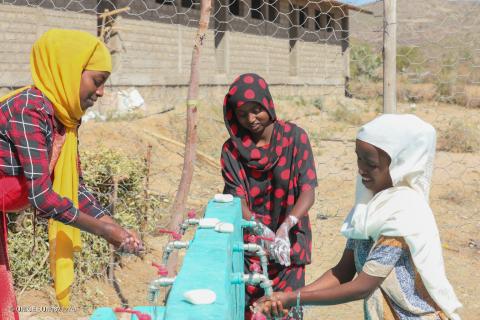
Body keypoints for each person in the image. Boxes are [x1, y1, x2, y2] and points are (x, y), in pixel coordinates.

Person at [255, 114, 462, 320]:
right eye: (358, 158)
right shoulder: (369, 209)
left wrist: (293, 298)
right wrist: (288, 297)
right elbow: (343, 271)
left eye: (371, 164)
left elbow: (363, 286)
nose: (361, 168)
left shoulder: (403, 212)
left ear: (400, 164)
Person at [0, 29, 143, 319]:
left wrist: (113, 226)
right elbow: (42, 196)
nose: (101, 92)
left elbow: (73, 187)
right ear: (69, 71)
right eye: (97, 81)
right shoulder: (28, 110)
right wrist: (103, 230)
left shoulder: (64, 118)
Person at [220, 73, 318, 319]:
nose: (251, 119)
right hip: (252, 248)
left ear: (267, 103)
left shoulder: (295, 138)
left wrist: (286, 226)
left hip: (289, 246)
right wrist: (259, 230)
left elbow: (307, 190)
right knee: (252, 311)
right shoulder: (232, 150)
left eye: (256, 110)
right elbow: (238, 197)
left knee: (285, 311)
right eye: (242, 114)